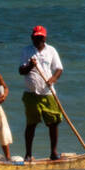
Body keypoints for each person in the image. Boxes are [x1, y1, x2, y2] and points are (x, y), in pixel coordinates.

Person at [18, 24, 64, 161]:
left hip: (48, 93)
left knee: (54, 122)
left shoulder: (51, 51)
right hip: (31, 93)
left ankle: (53, 153)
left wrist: (53, 79)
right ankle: (28, 154)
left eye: (41, 38)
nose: (39, 40)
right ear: (32, 38)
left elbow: (59, 69)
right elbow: (21, 71)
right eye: (36, 38)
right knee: (31, 124)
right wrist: (30, 65)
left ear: (45, 38)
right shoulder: (26, 51)